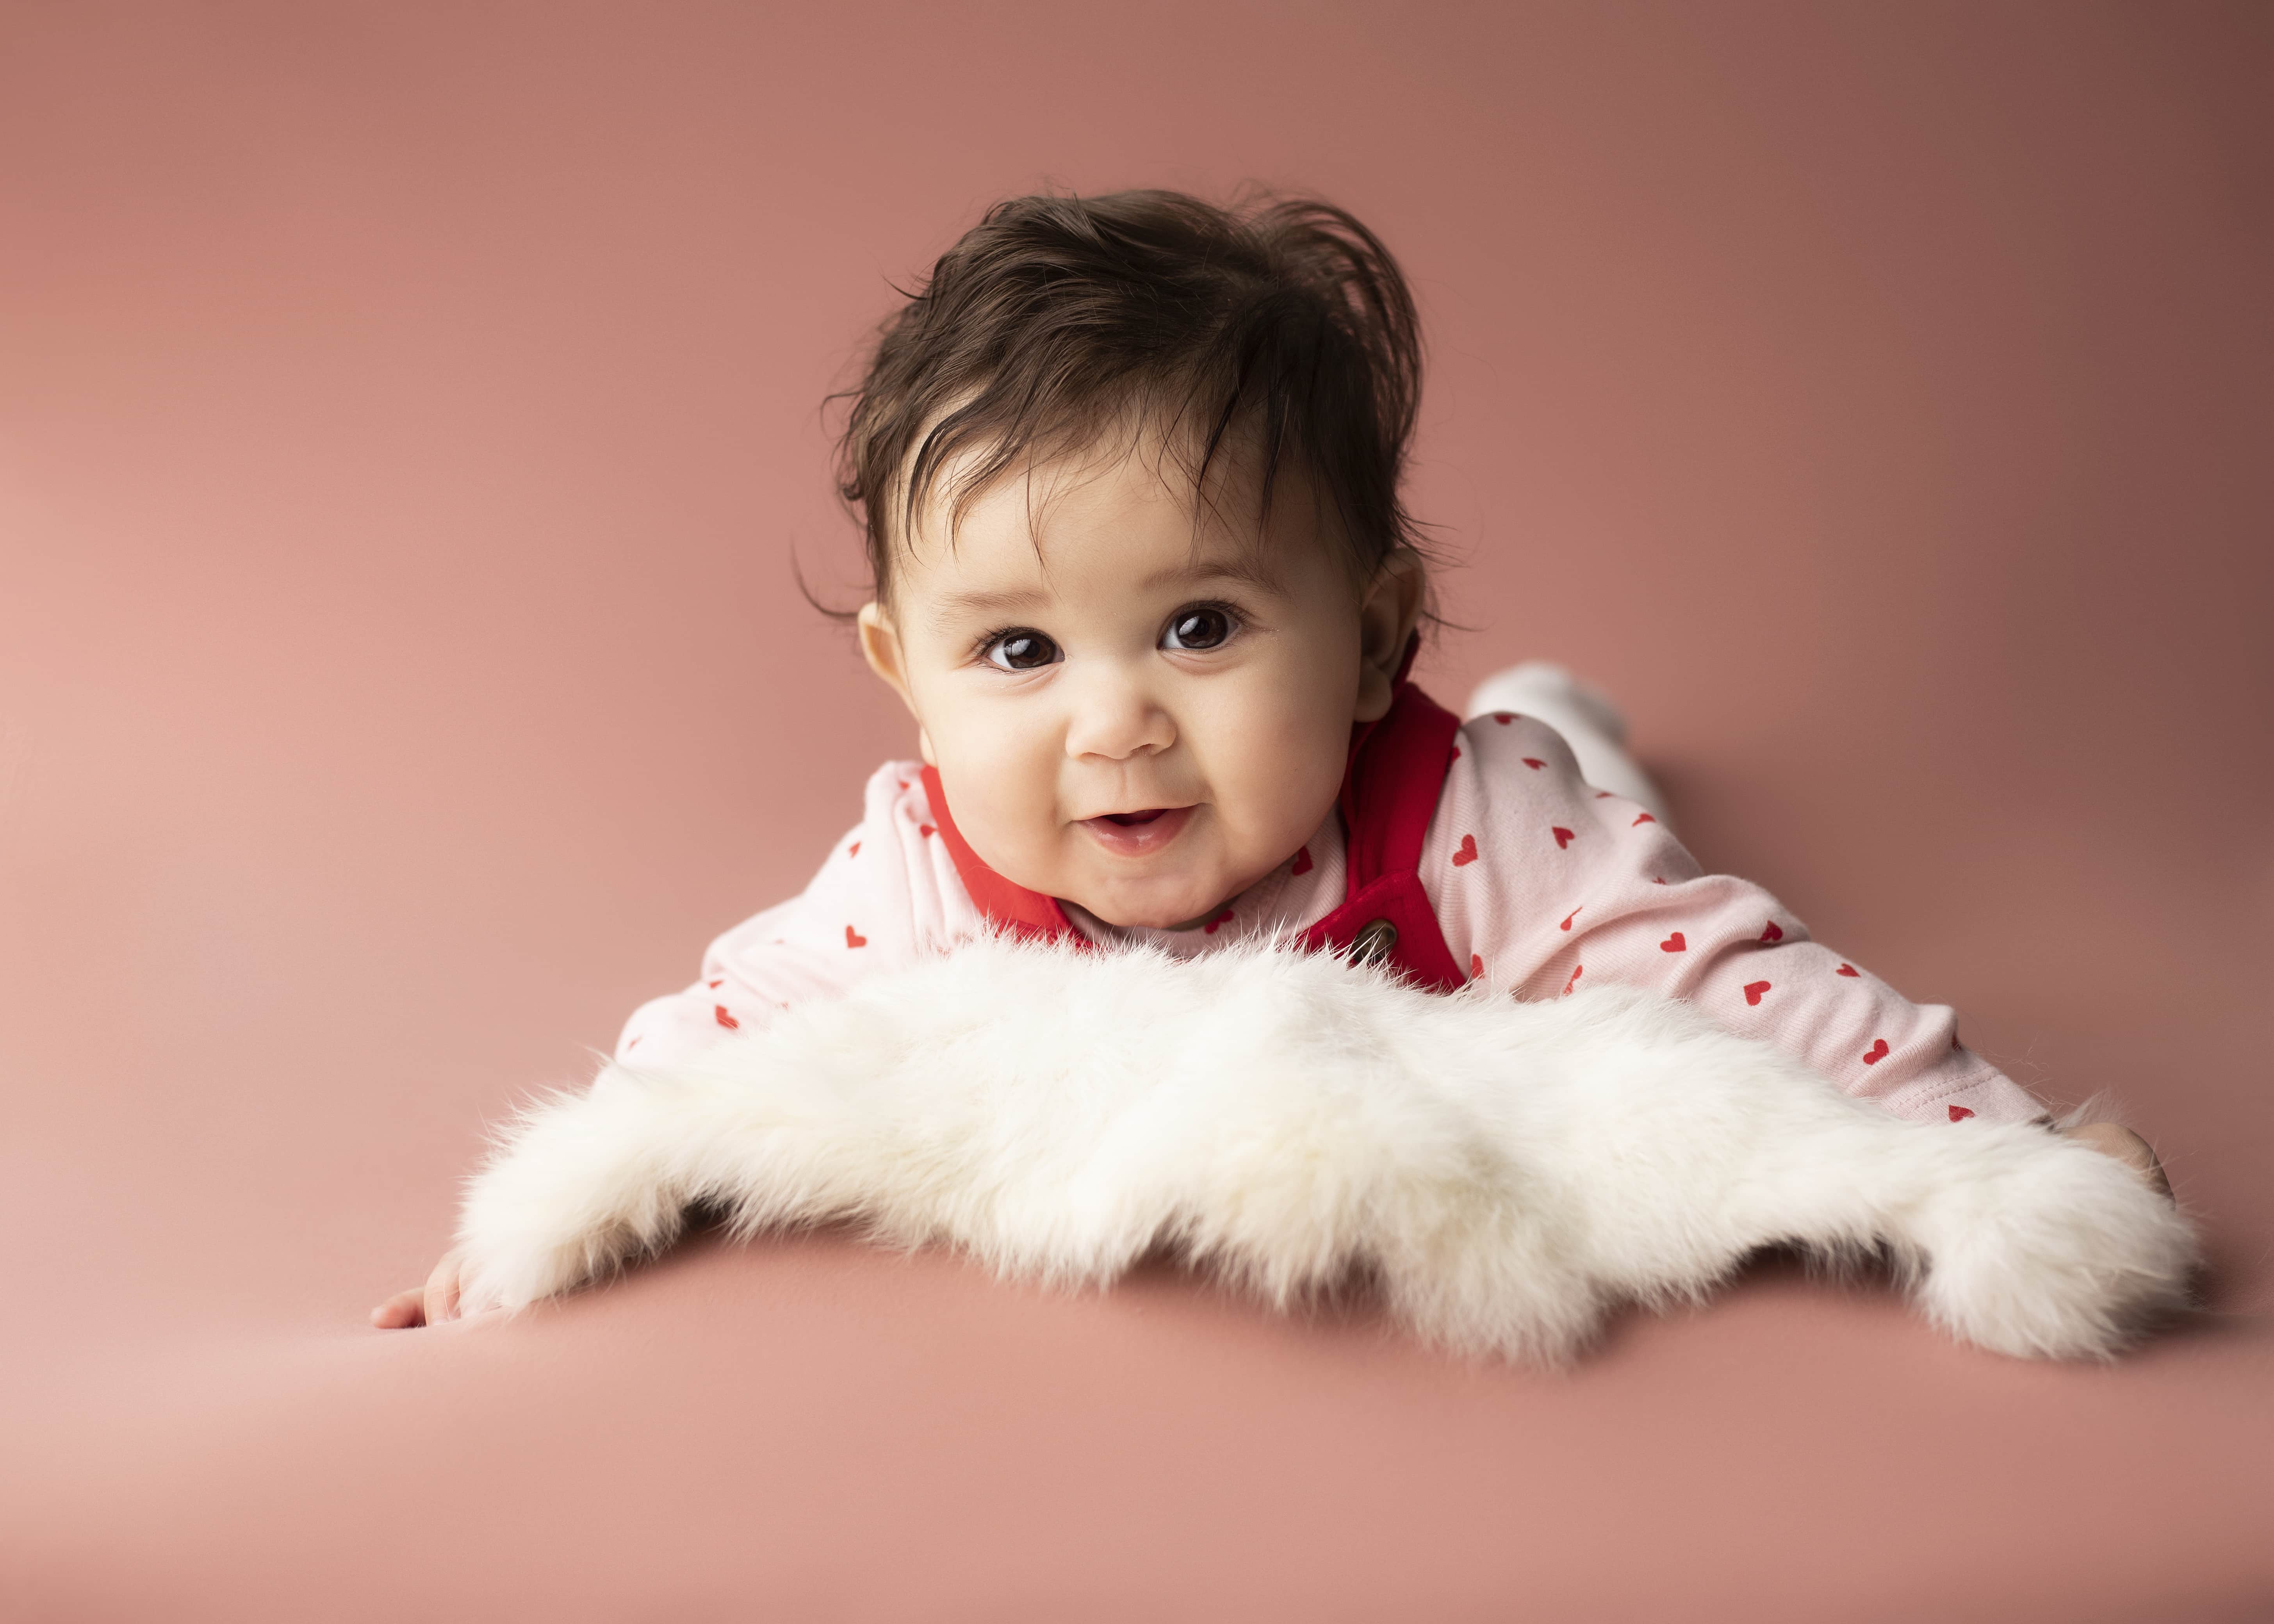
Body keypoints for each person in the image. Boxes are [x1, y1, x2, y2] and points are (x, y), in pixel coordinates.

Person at [374, 189, 2162, 1330]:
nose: (1114, 721)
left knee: (1608, 813)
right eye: (1017, 651)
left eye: (1201, 626)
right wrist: (549, 1214)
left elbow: (1732, 981)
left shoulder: (1474, 815)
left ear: (1376, 636)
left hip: (1538, 836)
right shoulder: (920, 861)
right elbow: (737, 1031)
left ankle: (1581, 716)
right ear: (905, 678)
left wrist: (1997, 1149)